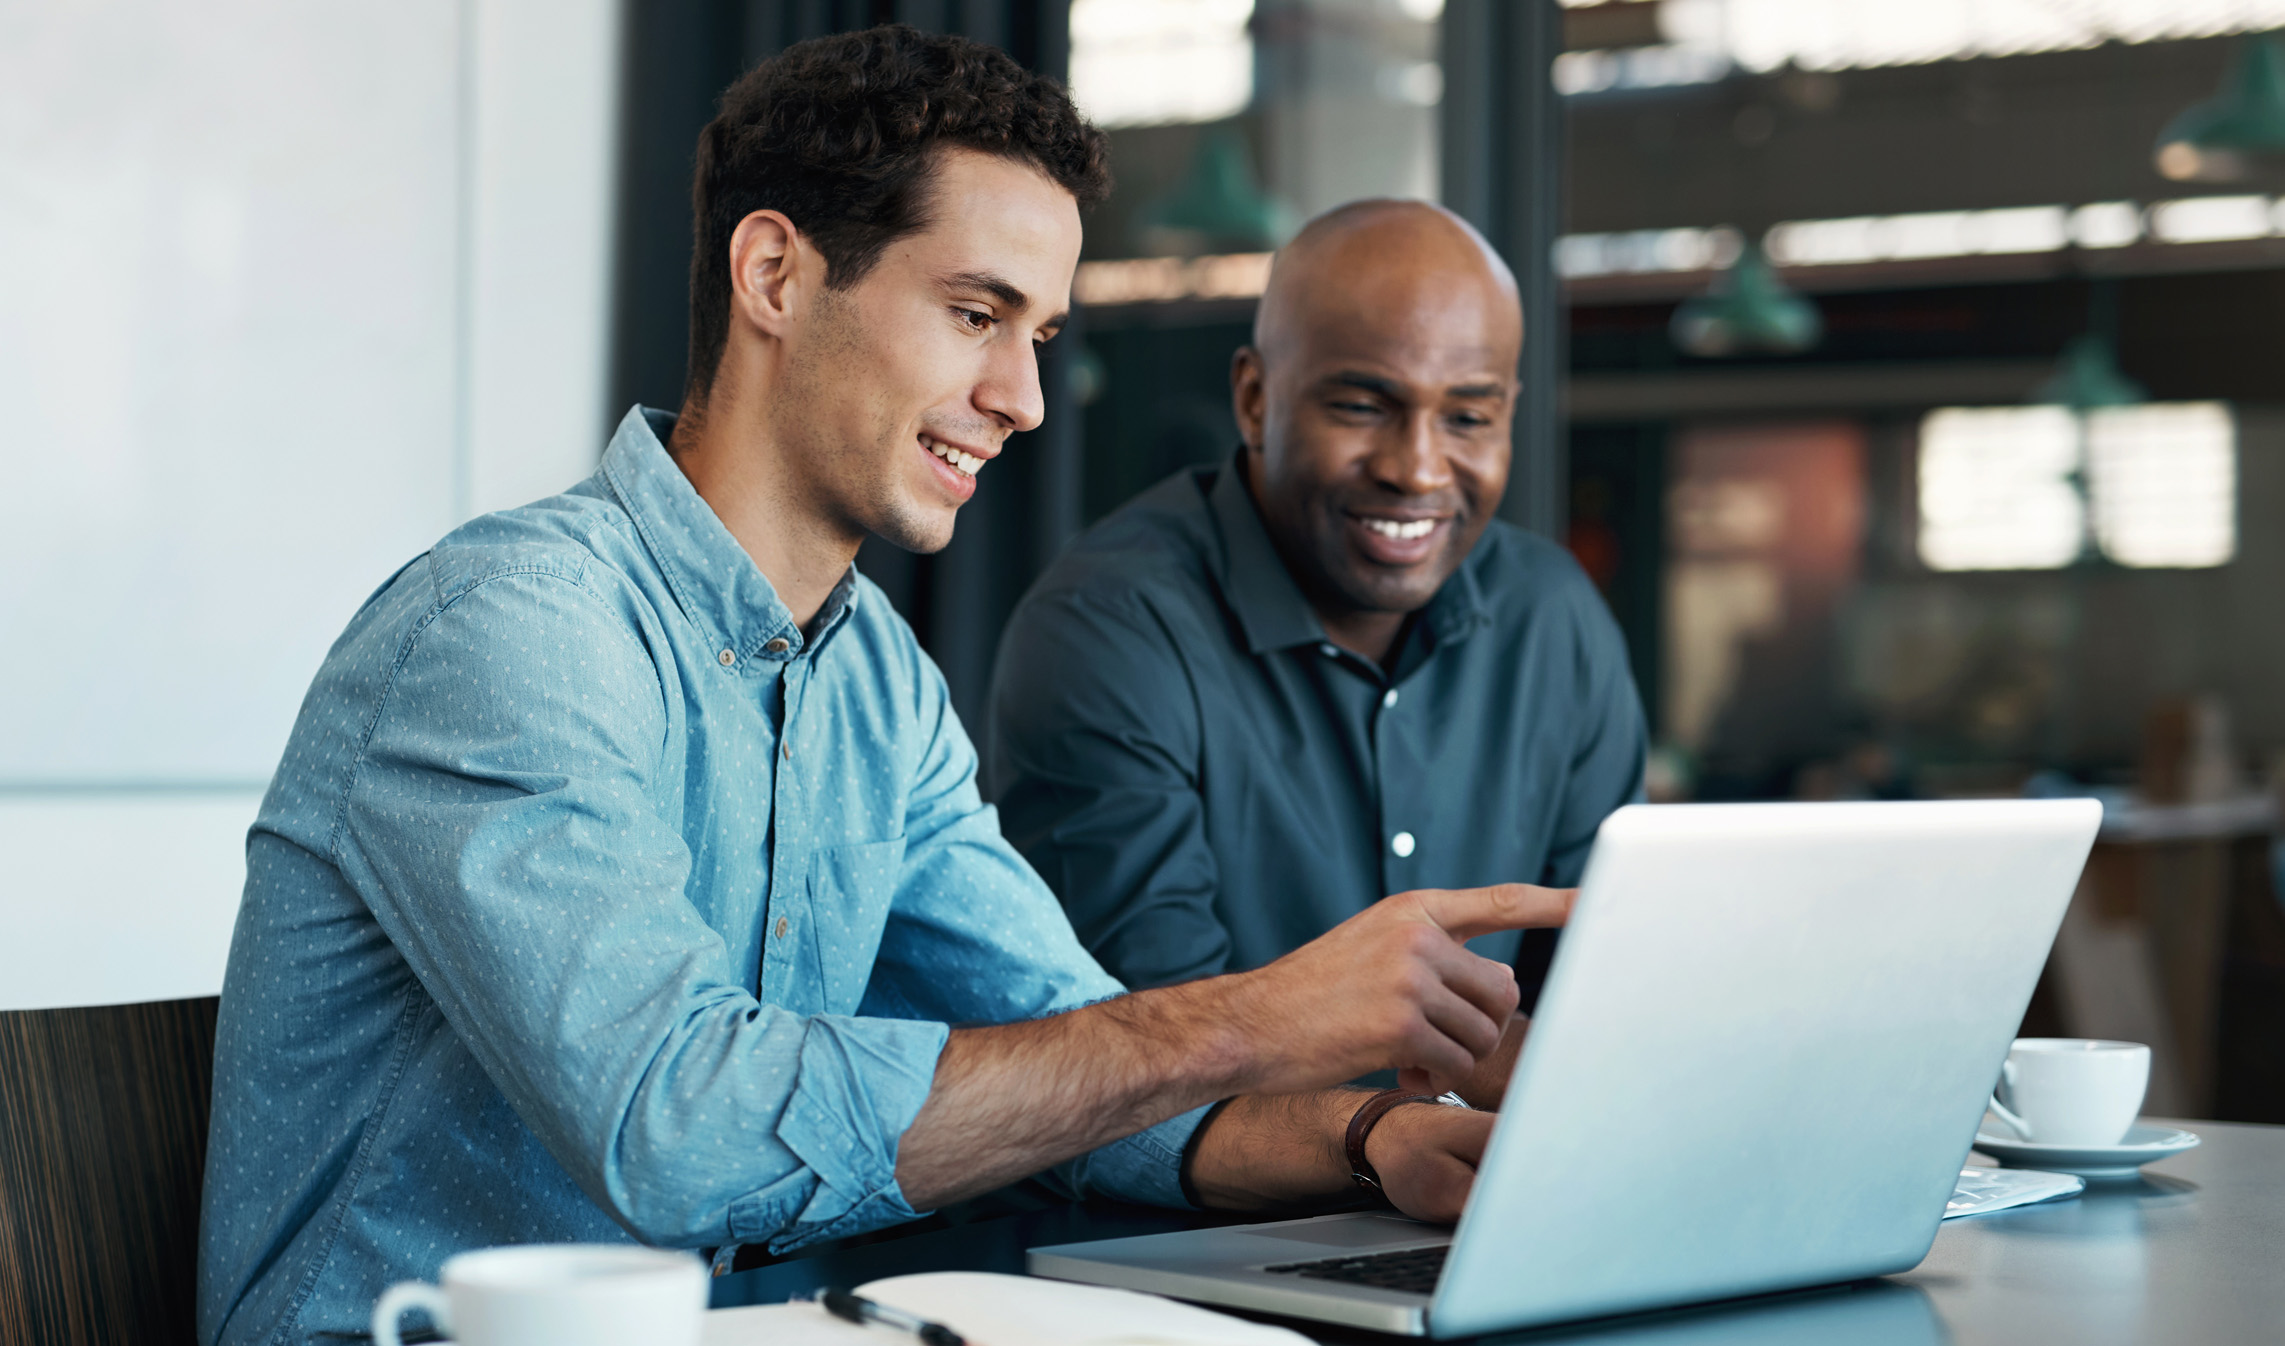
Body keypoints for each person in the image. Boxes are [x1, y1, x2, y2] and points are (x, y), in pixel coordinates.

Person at [198, 30, 1563, 1346]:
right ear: (777, 276)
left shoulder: (875, 688)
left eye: (1038, 332)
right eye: (976, 314)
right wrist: (1248, 1016)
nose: (1024, 395)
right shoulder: (510, 633)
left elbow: (1079, 1065)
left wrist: (1374, 1138)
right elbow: (680, 1130)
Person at [987, 200, 1647, 1100]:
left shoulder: (1552, 617)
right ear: (1256, 399)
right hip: (1186, 1228)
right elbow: (1151, 1052)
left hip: (1484, 1197)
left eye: (1468, 418)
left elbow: (1613, 989)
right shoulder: (1110, 627)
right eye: (1365, 405)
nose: (1417, 468)